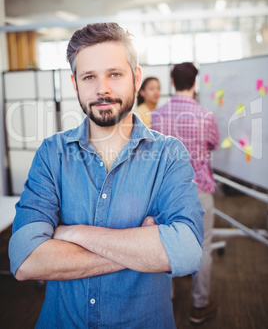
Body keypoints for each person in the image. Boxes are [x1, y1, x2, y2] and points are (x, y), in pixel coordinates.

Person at [9, 24, 204, 329]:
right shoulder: (52, 154)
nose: (102, 89)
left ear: (136, 78)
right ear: (75, 84)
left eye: (115, 74)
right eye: (89, 77)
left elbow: (187, 251)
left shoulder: (169, 155)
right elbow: (24, 259)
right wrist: (141, 251)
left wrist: (72, 233)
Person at [151, 62, 220, 325]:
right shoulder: (206, 116)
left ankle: (164, 300)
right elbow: (212, 144)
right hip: (198, 190)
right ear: (195, 83)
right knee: (202, 247)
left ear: (171, 82)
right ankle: (199, 305)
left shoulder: (156, 117)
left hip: (164, 193)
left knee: (164, 246)